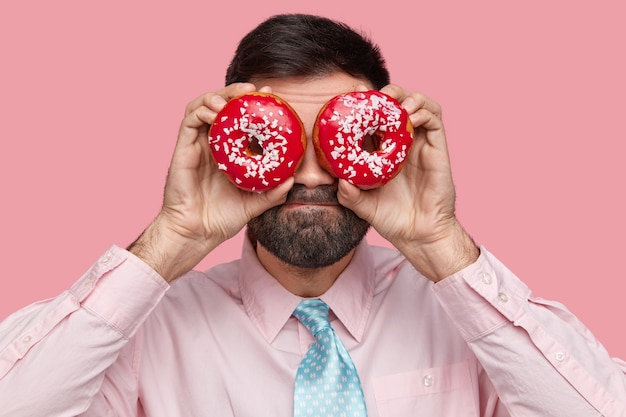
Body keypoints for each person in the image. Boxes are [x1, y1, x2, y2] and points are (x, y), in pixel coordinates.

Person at [0, 13, 624, 417]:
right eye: (280, 142)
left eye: (335, 140)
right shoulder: (148, 332)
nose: (310, 174)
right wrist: (171, 239)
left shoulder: (464, 320)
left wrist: (441, 244)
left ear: (392, 146)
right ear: (222, 149)